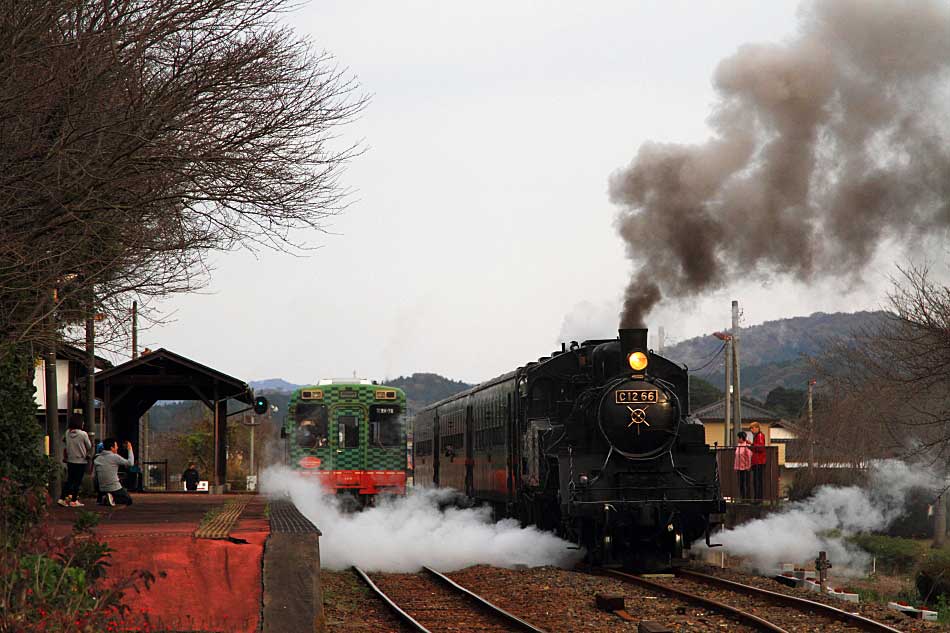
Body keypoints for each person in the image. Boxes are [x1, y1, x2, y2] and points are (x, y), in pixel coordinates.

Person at [59, 414, 92, 507]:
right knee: (77, 481)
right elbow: (89, 446)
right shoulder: (83, 434)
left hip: (70, 460)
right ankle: (74, 500)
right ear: (80, 423)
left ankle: (62, 498)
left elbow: (63, 440)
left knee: (70, 480)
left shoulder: (67, 433)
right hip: (81, 460)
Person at [94, 438, 135, 506]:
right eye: (116, 446)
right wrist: (130, 449)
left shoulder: (97, 458)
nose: (117, 448)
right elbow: (130, 463)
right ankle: (111, 498)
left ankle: (103, 498)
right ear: (111, 448)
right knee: (128, 500)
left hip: (101, 488)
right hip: (114, 487)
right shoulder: (114, 457)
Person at [749, 421, 767, 501]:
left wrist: (752, 445)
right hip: (757, 461)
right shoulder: (757, 436)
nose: (751, 430)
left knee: (757, 481)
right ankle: (757, 498)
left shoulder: (759, 436)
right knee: (756, 481)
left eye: (752, 428)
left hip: (759, 461)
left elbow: (760, 448)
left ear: (757, 428)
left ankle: (758, 498)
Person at [733, 430, 752, 501]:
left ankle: (746, 498)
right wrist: (735, 466)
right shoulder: (738, 446)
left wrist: (748, 466)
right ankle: (742, 497)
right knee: (740, 483)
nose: (738, 439)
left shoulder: (746, 446)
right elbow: (736, 457)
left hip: (745, 468)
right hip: (739, 467)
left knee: (745, 483)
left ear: (742, 438)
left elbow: (749, 457)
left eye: (739, 438)